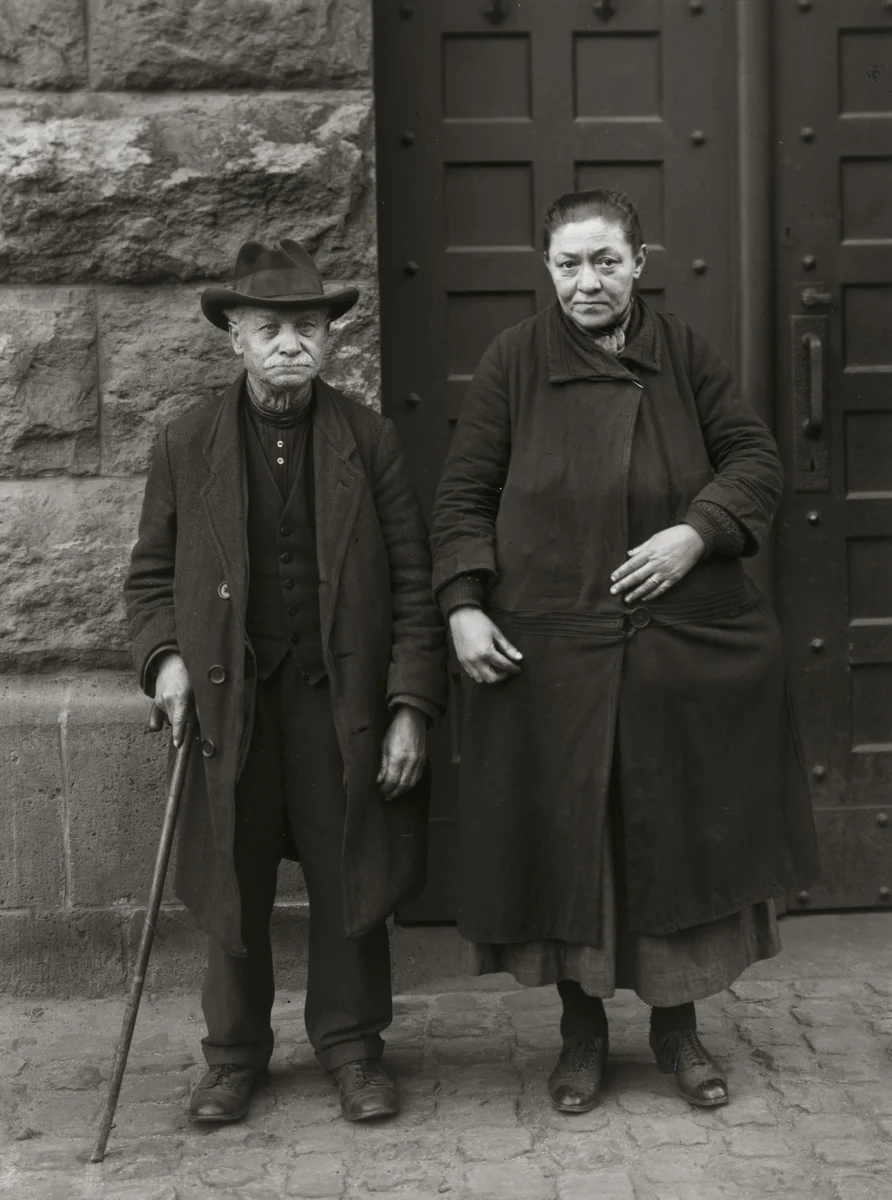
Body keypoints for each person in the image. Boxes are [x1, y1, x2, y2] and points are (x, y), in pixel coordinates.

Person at [431, 189, 818, 1113]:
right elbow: (462, 497)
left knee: (674, 837)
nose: (587, 281)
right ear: (548, 270)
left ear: (639, 263)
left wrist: (698, 531)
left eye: (606, 261)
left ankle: (679, 1033)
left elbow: (755, 460)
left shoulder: (684, 354)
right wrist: (461, 606)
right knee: (575, 845)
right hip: (553, 654)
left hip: (676, 651)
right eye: (569, 263)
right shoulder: (513, 362)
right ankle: (580, 1036)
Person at [124, 239, 446, 1125]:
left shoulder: (368, 441)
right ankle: (233, 1056)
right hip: (232, 705)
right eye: (270, 328)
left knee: (351, 880)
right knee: (232, 881)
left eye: (308, 327)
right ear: (235, 336)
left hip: (335, 703)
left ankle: (352, 1048)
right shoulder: (187, 443)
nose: (290, 345)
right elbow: (149, 577)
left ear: (330, 339)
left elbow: (416, 581)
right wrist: (168, 661)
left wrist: (409, 706)